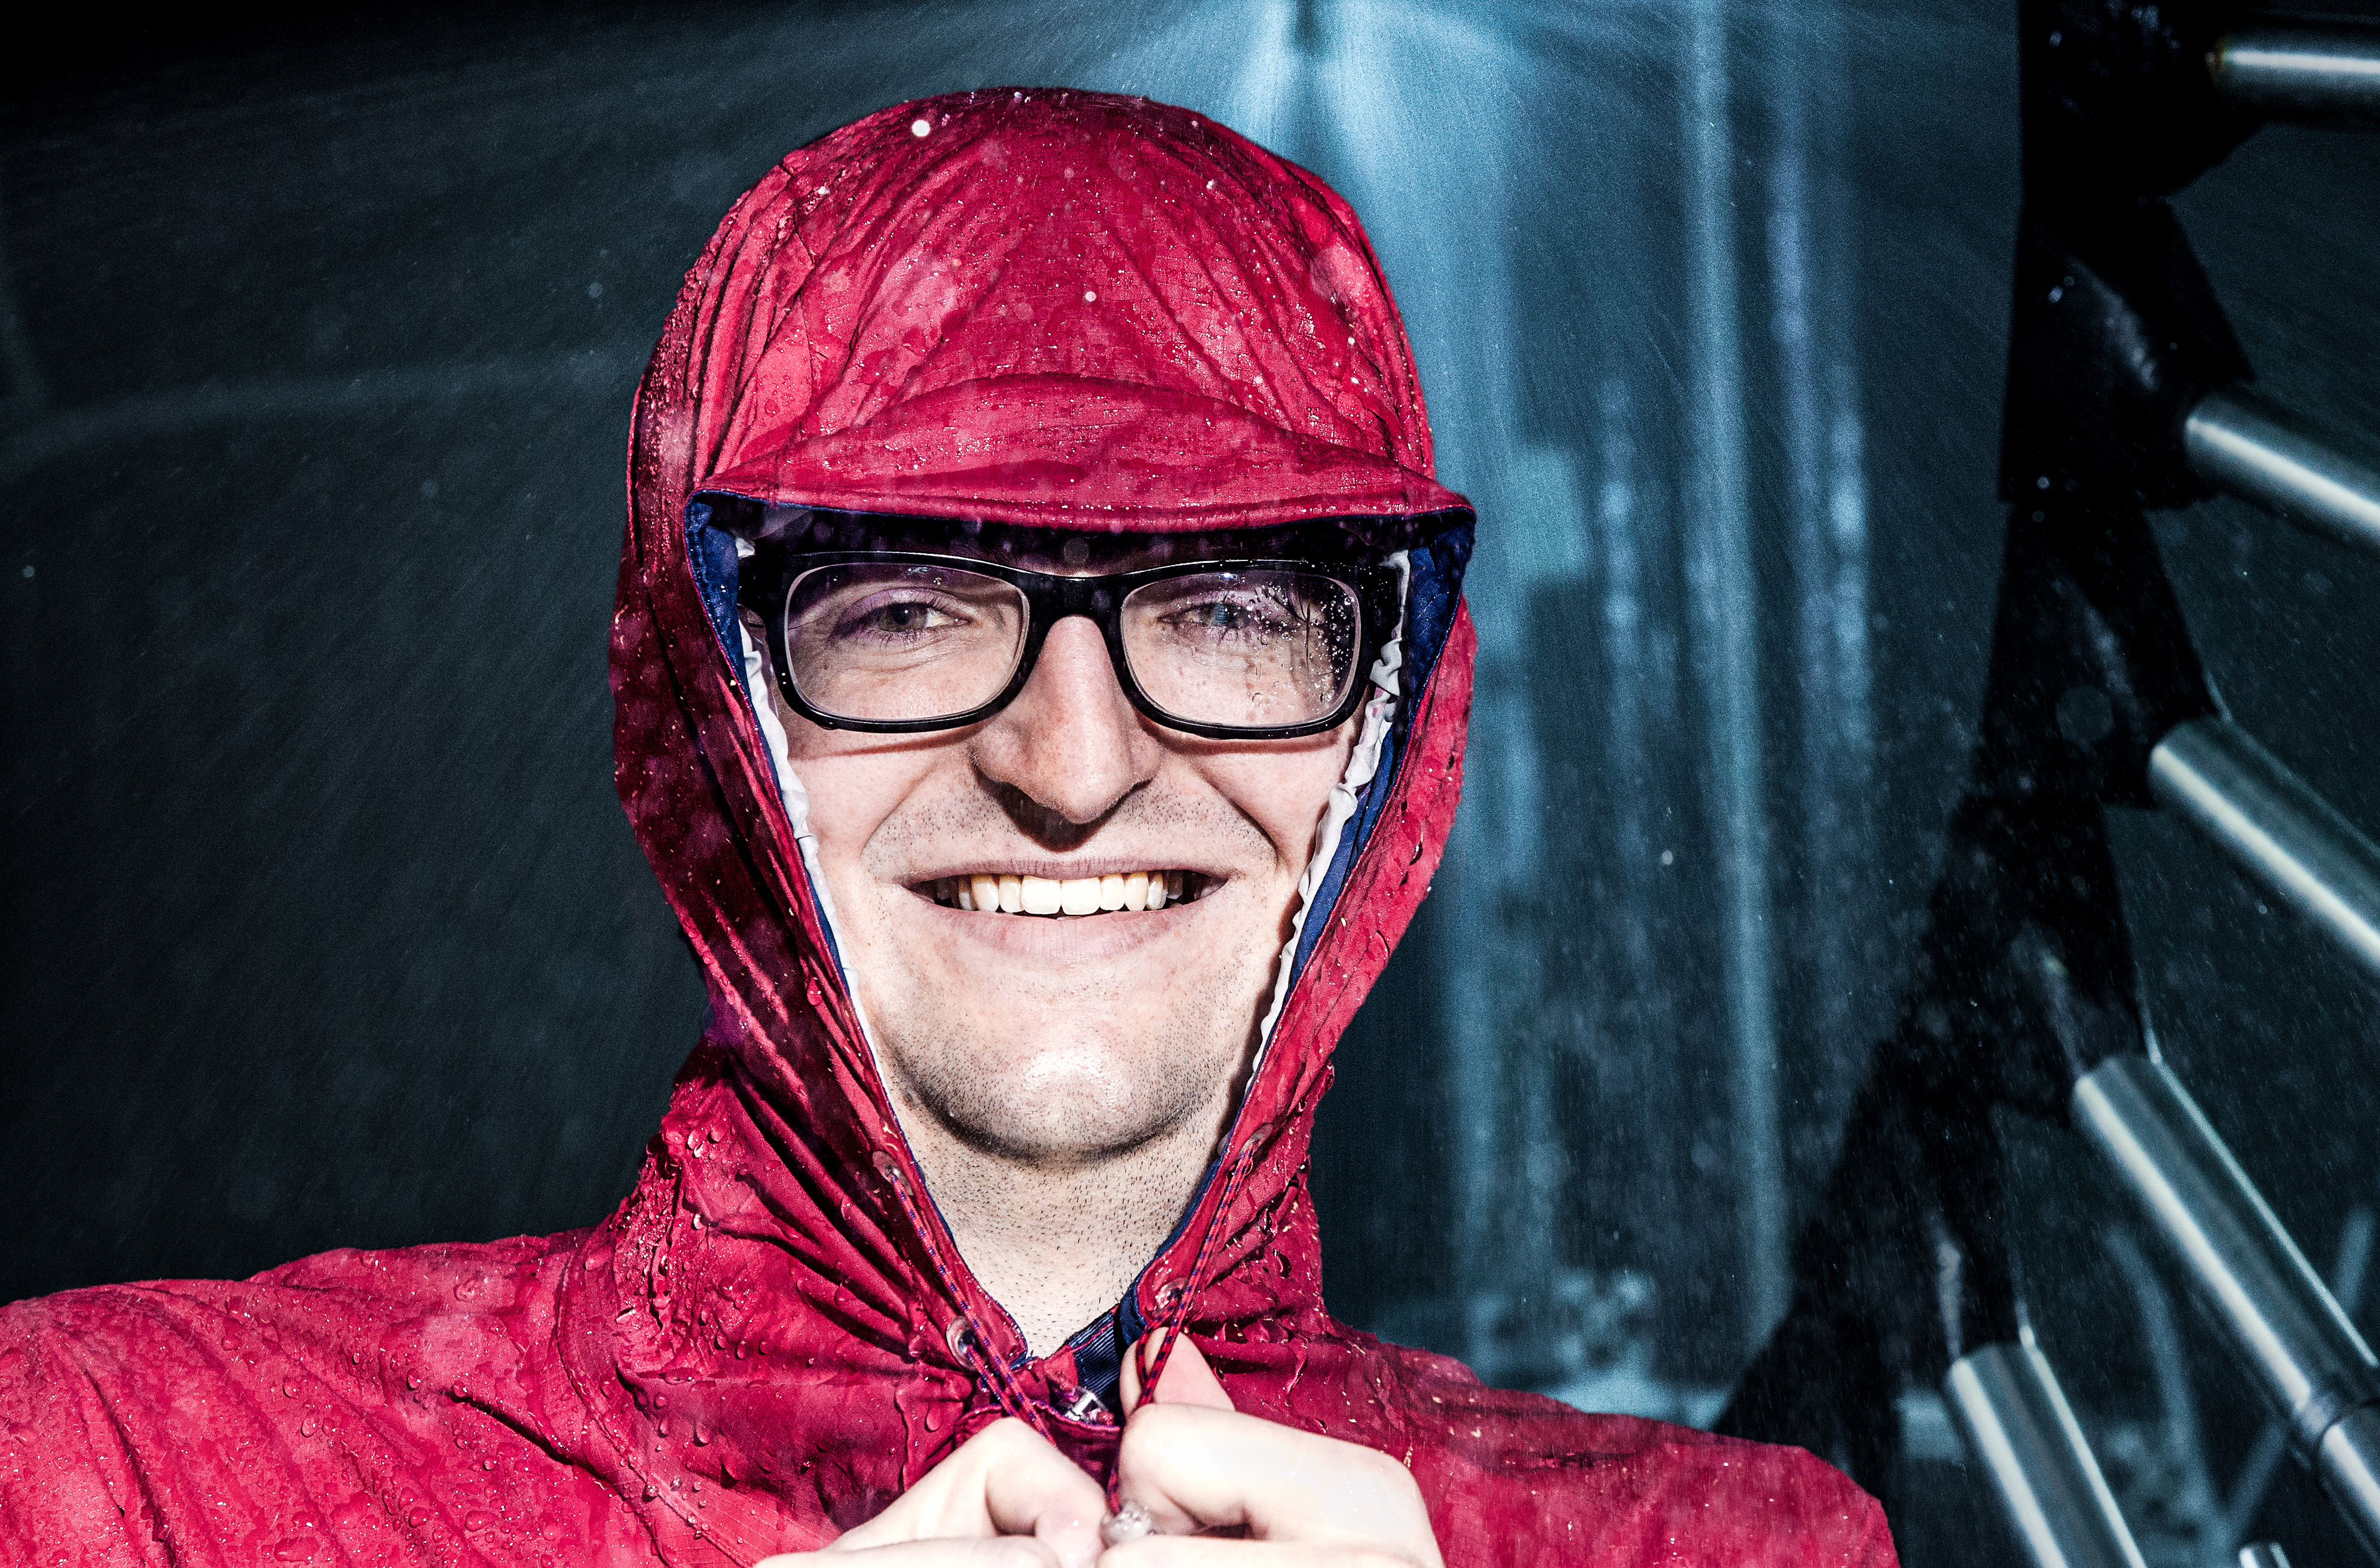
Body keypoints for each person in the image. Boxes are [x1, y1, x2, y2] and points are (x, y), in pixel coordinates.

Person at [0, 89, 1893, 1568]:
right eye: (906, 608)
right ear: (716, 710)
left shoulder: (1736, 1553)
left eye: (1229, 615)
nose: (1073, 764)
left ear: (1384, 721)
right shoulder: (123, 1481)